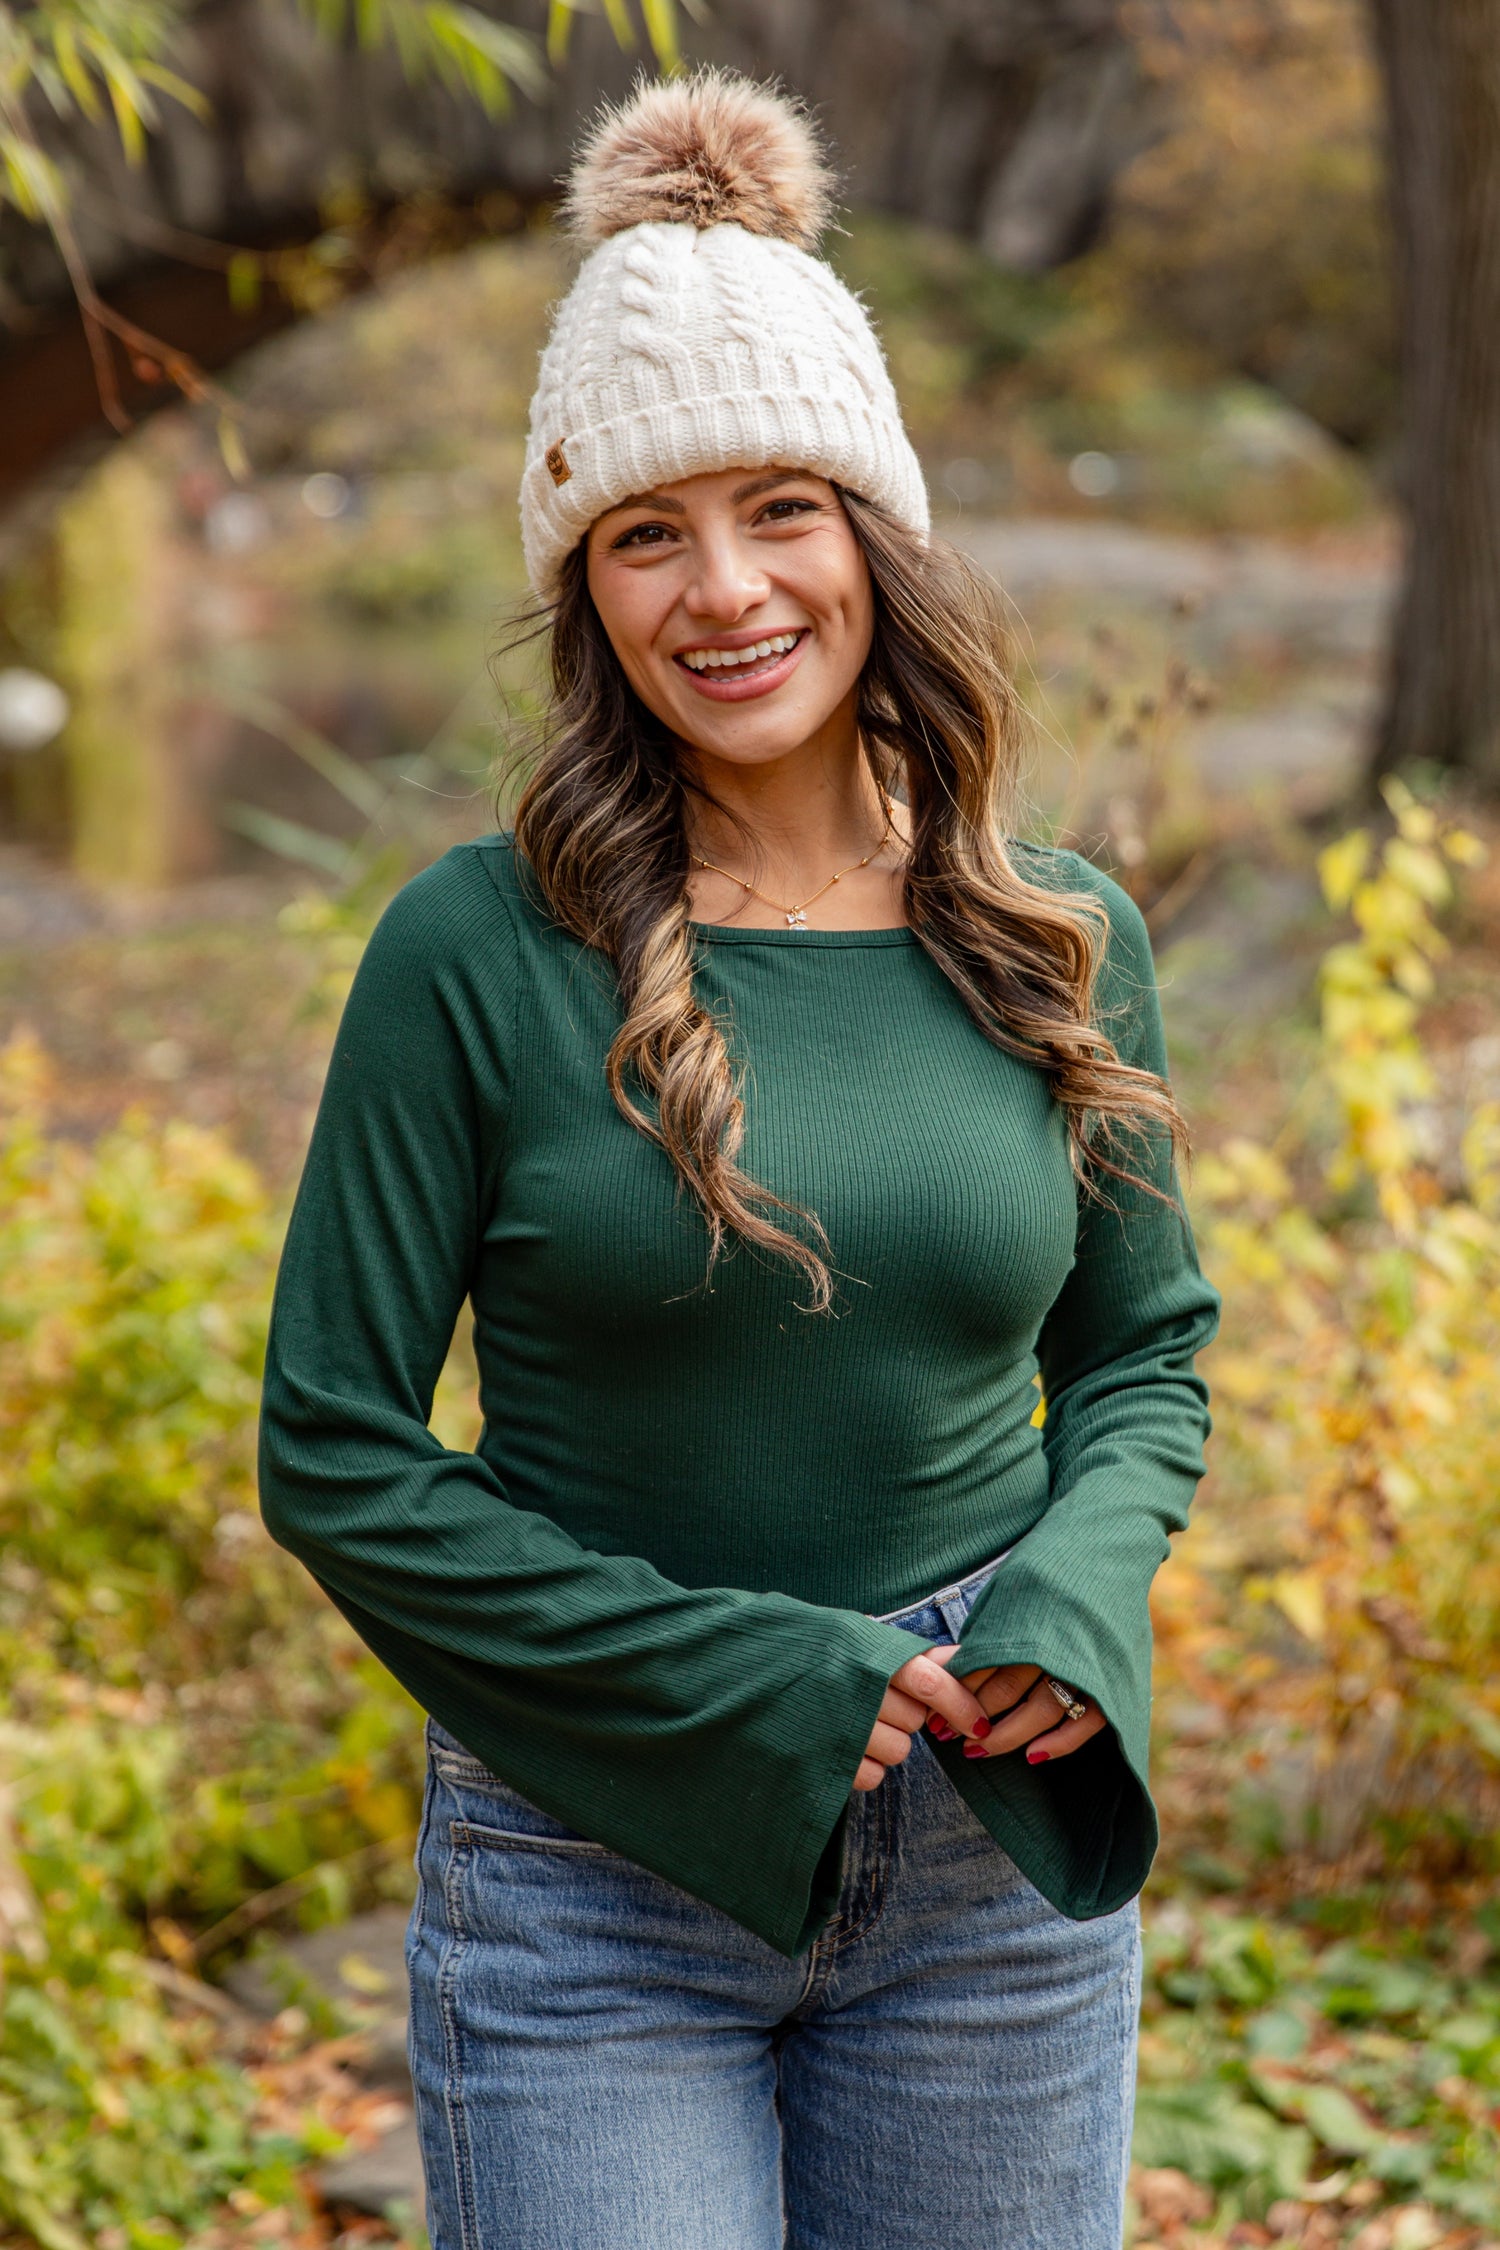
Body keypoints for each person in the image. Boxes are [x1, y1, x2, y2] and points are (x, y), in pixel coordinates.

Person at [258, 68, 1220, 2250]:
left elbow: (1149, 1351)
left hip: (995, 1837)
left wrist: (1074, 1596)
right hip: (597, 1862)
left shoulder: (1056, 939)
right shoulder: (475, 951)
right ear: (581, 583)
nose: (724, 591)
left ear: (873, 531)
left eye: (782, 508)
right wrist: (737, 1672)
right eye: (643, 534)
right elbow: (333, 1450)